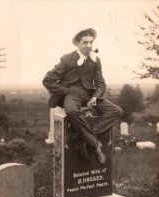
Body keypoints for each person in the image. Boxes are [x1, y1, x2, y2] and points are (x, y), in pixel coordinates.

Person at [43, 28, 123, 164]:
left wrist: (95, 97)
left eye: (91, 42)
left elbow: (101, 83)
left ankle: (86, 138)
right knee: (73, 111)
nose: (89, 46)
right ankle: (94, 144)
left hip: (89, 95)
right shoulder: (67, 59)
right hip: (71, 94)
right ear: (77, 44)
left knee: (116, 111)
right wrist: (65, 91)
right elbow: (47, 80)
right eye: (85, 42)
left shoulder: (95, 60)